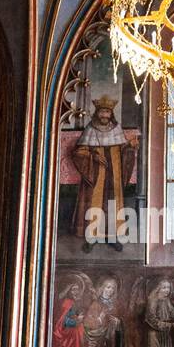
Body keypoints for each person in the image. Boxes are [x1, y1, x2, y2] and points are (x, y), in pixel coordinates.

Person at [71, 96, 136, 251]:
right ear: (97, 113)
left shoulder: (117, 128)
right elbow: (78, 151)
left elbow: (122, 149)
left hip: (115, 171)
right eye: (102, 112)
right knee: (94, 202)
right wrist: (93, 155)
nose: (104, 115)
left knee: (114, 204)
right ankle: (91, 237)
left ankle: (112, 237)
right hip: (96, 173)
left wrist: (129, 146)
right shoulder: (90, 129)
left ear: (111, 113)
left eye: (107, 112)